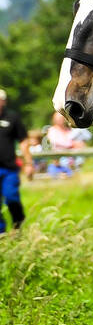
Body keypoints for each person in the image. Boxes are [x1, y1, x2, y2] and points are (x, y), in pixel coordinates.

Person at [0, 88, 30, 234]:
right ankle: (2, 234)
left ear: (3, 101)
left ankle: (18, 225)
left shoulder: (12, 118)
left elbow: (23, 141)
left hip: (9, 169)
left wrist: (29, 163)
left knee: (11, 197)